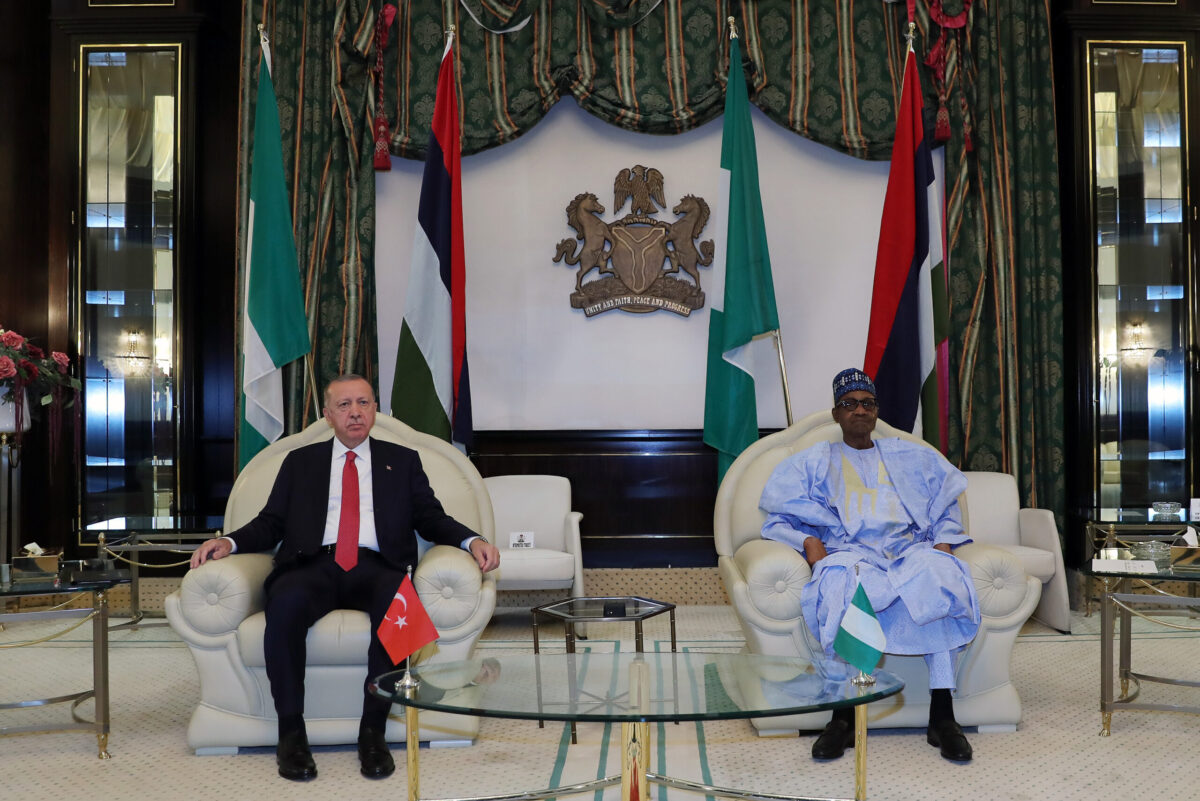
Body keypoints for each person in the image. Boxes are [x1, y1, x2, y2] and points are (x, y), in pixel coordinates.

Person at [190, 374, 500, 781]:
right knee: (284, 607)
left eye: (364, 403)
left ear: (375, 409)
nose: (355, 412)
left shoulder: (402, 460)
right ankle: (291, 732)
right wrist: (228, 542)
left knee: (398, 605)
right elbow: (271, 522)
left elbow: (430, 517)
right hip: (312, 565)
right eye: (344, 405)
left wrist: (470, 539)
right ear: (328, 414)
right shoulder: (301, 462)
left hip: (378, 565)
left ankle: (372, 731)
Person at [758, 368, 979, 763]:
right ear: (835, 414)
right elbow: (777, 519)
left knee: (939, 575)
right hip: (850, 551)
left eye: (867, 403)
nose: (859, 410)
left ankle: (942, 715)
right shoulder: (811, 462)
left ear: (876, 411)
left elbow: (945, 507)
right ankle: (842, 718)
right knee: (844, 582)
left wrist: (943, 542)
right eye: (849, 404)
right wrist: (808, 541)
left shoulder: (911, 456)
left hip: (909, 549)